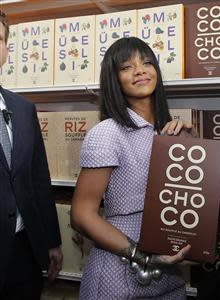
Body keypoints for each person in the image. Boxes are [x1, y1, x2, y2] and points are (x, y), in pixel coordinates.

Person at [70, 37, 193, 299]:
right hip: (119, 271)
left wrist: (191, 146)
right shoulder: (107, 133)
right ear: (113, 79)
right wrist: (142, 255)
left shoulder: (170, 132)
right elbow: (81, 215)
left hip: (169, 276)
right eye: (127, 67)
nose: (140, 70)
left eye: (147, 62)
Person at [0, 10, 63, 299]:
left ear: (6, 50)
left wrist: (52, 241)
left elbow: (38, 180)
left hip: (24, 253)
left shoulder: (24, 109)